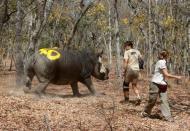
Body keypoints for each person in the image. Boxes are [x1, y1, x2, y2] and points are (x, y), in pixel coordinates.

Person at [141, 50, 182, 122]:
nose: (161, 55)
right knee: (152, 100)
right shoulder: (161, 62)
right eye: (161, 54)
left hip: (162, 84)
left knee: (164, 100)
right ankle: (145, 113)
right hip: (155, 84)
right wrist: (177, 77)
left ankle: (168, 117)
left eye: (163, 54)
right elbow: (166, 74)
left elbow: (164, 75)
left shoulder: (164, 62)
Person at [120, 41, 143, 105]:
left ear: (129, 46)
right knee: (134, 85)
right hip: (136, 70)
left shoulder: (127, 52)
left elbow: (125, 62)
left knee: (125, 84)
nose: (125, 47)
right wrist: (140, 69)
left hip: (130, 69)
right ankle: (138, 97)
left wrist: (123, 71)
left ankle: (126, 101)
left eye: (125, 46)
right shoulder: (137, 51)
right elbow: (141, 60)